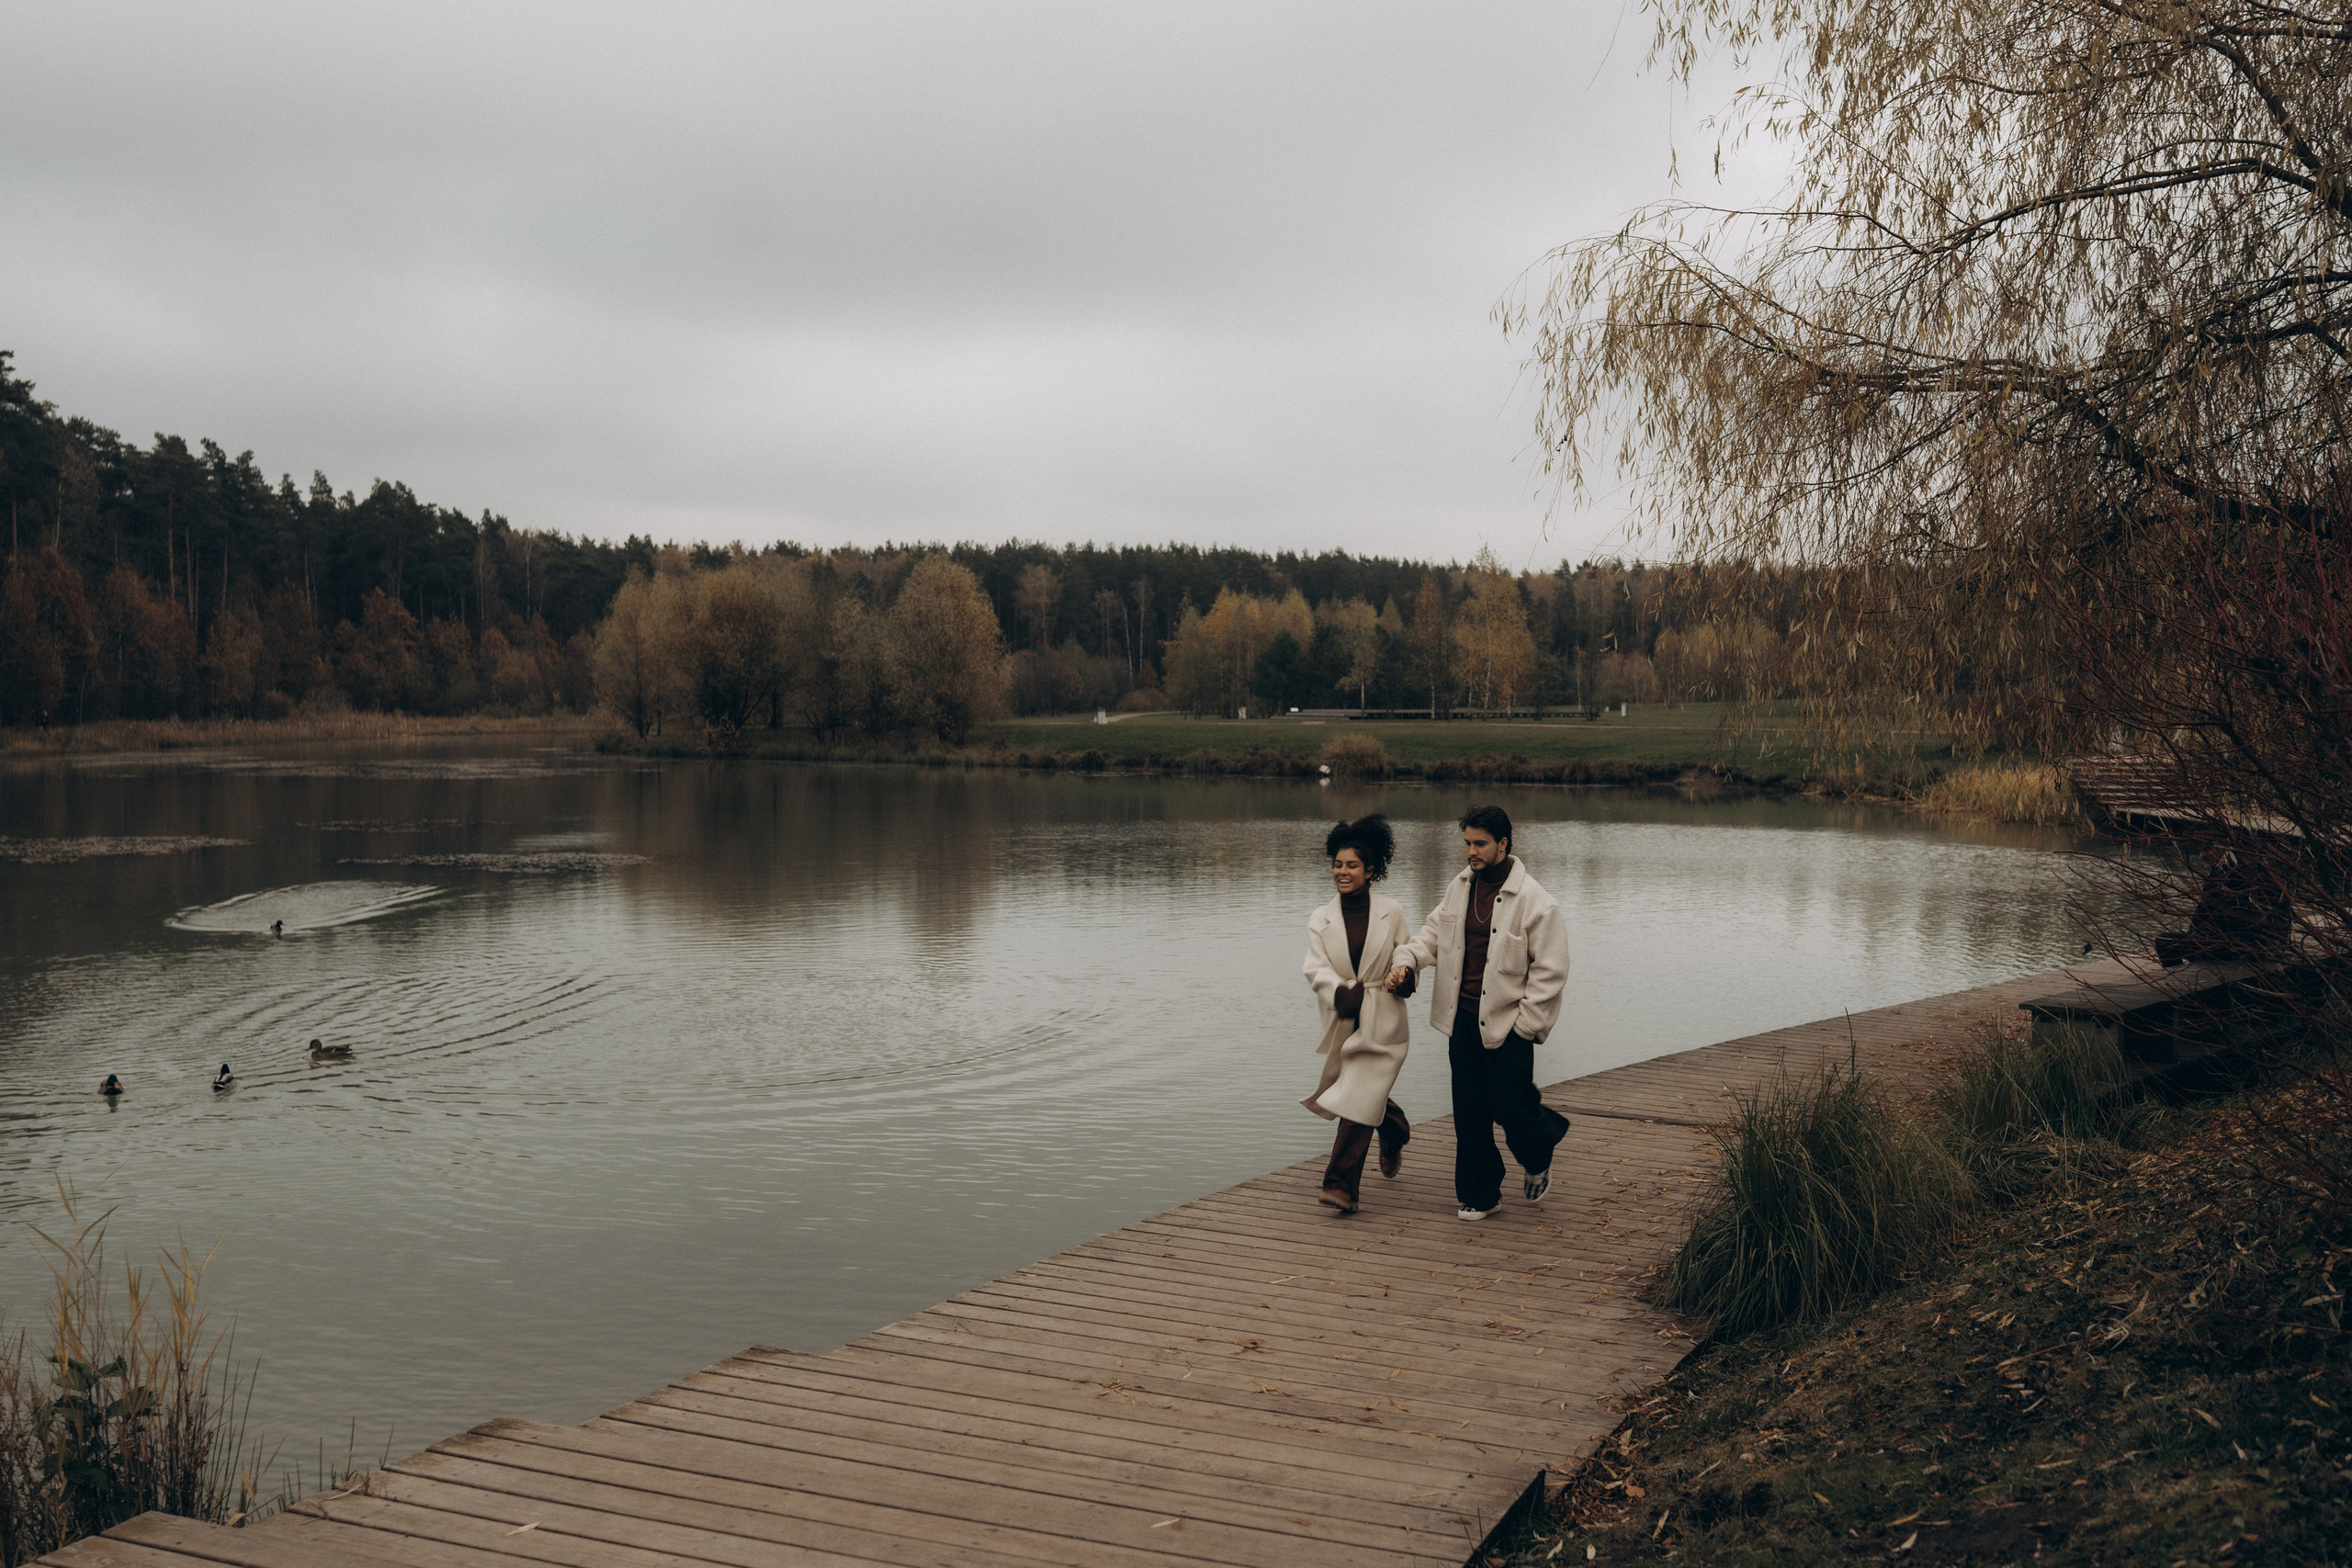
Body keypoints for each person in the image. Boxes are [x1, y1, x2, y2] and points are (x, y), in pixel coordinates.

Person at [1388, 805, 1572, 1221]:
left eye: (1480, 843)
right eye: (1467, 842)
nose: (1471, 851)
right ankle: (1481, 1193)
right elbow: (1432, 935)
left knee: (1511, 1109)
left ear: (1503, 844)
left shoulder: (1536, 903)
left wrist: (1526, 1026)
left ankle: (1539, 1148)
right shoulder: (1460, 887)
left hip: (1509, 1026)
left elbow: (1551, 970)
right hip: (1462, 1022)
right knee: (1469, 1111)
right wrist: (1408, 960)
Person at [1301, 814, 1414, 1213]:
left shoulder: (1392, 911)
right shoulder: (1321, 917)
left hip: (1383, 1015)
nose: (1342, 872)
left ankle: (1340, 1186)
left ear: (1370, 870)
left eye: (1351, 865)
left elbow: (1406, 950)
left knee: (1359, 1092)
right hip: (1345, 1016)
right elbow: (1314, 967)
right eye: (1337, 864)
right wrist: (1337, 991)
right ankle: (1395, 1126)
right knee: (1362, 1089)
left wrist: (1405, 974)